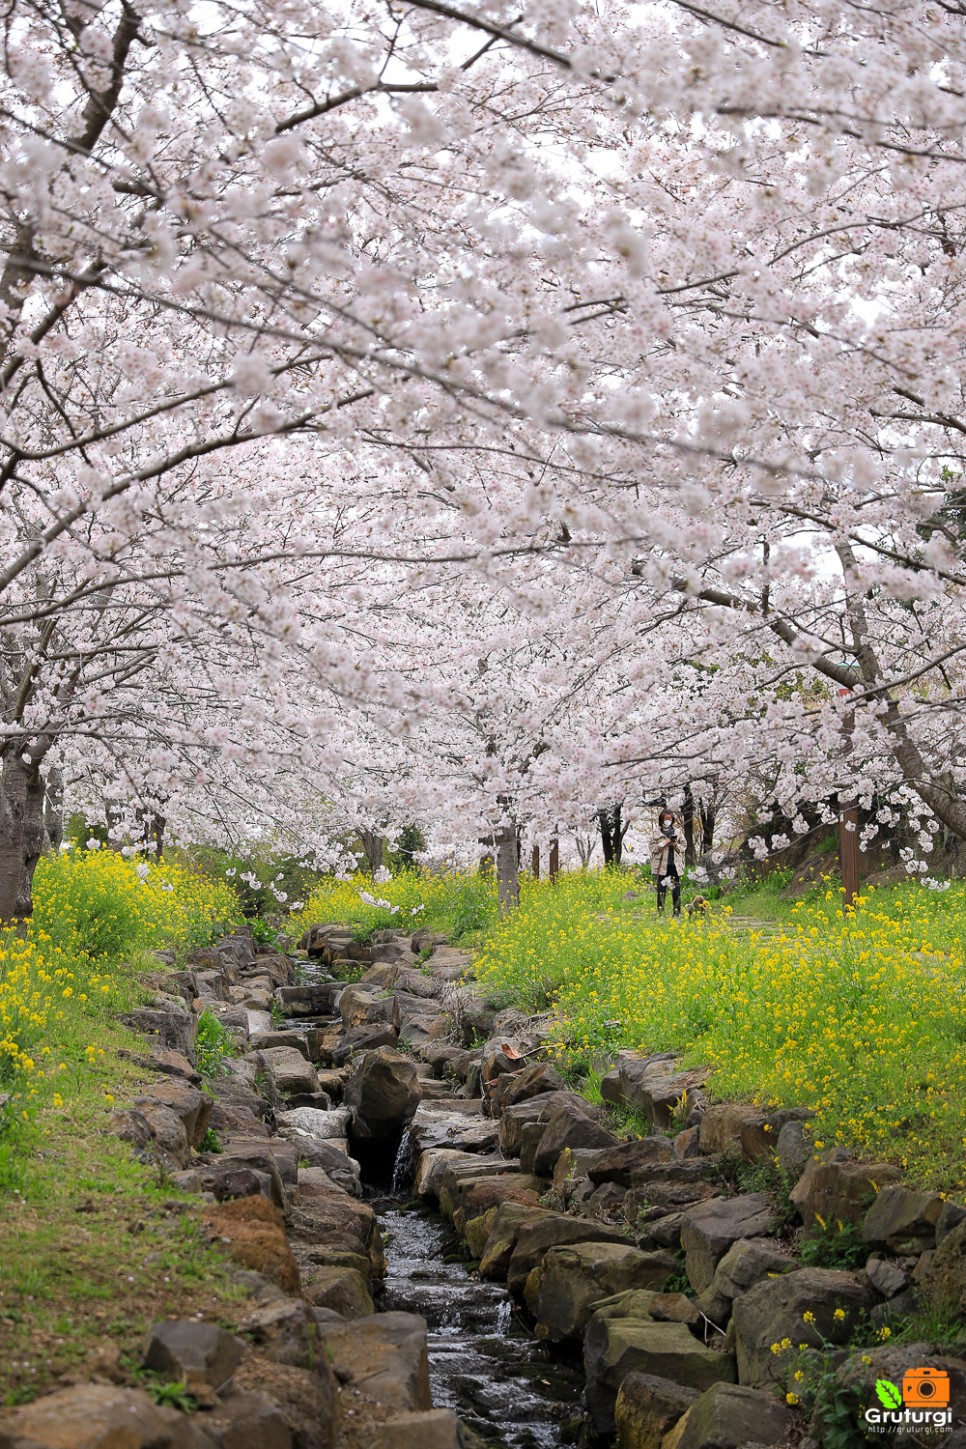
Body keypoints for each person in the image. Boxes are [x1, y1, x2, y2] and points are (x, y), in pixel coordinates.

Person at [650, 807, 683, 916]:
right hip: (661, 866)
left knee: (676, 891)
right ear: (661, 819)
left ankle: (677, 914)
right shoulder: (656, 832)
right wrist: (661, 844)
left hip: (674, 866)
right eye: (665, 819)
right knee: (661, 891)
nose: (667, 821)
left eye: (670, 819)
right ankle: (661, 914)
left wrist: (675, 845)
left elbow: (684, 846)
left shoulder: (678, 831)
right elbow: (652, 848)